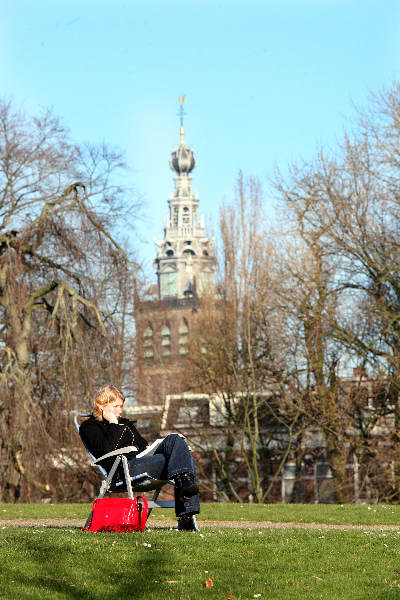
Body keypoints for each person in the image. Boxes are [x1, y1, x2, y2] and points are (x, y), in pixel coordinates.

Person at [79, 384, 200, 531]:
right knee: (183, 460)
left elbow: (142, 444)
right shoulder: (89, 427)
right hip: (123, 468)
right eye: (115, 406)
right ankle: (186, 512)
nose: (119, 411)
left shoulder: (125, 423)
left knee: (175, 439)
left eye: (121, 406)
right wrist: (113, 423)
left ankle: (185, 482)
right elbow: (107, 448)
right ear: (101, 405)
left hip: (143, 460)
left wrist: (148, 449)